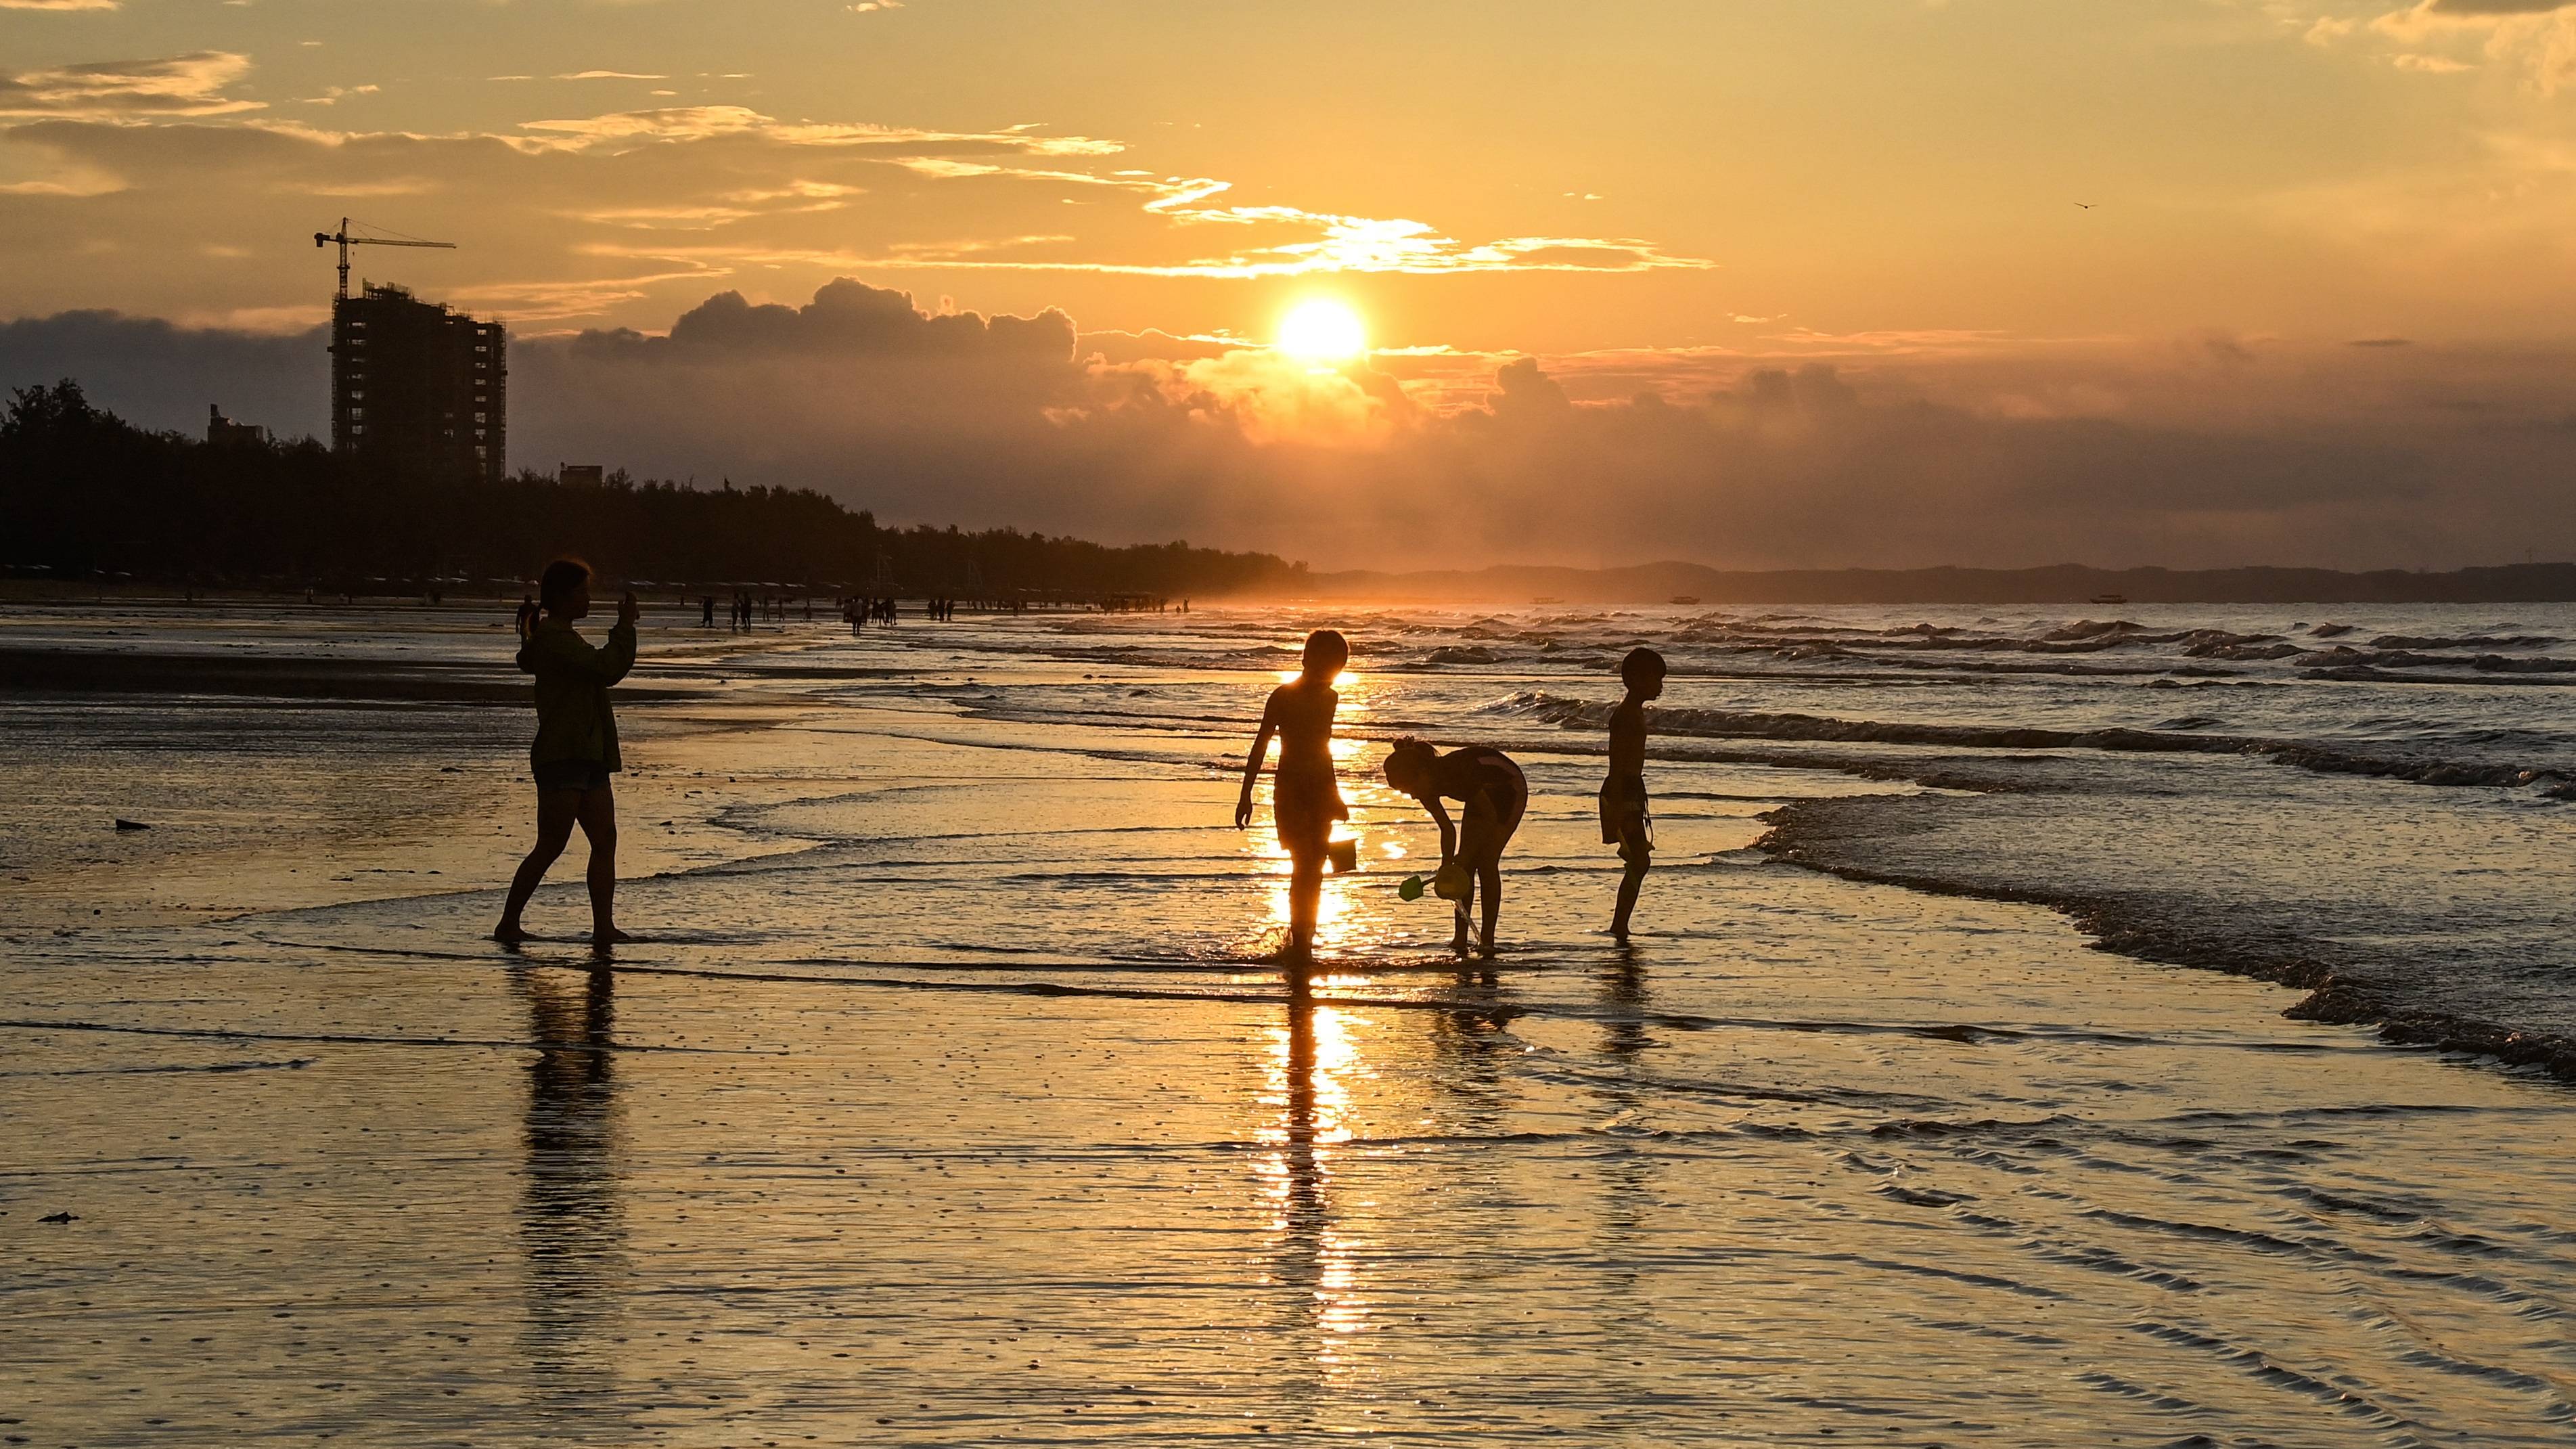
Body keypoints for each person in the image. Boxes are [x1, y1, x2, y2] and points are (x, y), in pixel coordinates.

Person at [495, 558, 639, 953]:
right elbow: (606, 668)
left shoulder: (561, 637)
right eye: (582, 593)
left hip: (587, 753)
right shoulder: (556, 640)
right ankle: (508, 922)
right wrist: (625, 626)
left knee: (604, 840)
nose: (588, 600)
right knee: (551, 844)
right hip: (564, 754)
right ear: (561, 598)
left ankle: (603, 927)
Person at [1236, 630, 1351, 963]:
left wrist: (1336, 795)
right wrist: (1246, 795)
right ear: (1306, 659)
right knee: (1304, 865)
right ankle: (1301, 942)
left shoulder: (1331, 698)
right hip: (1290, 789)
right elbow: (1260, 747)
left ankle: (1304, 940)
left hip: (1319, 789)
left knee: (1314, 867)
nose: (1330, 674)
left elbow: (1324, 751)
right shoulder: (1283, 696)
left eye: (1336, 667)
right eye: (1326, 665)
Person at [1383, 736, 1527, 957]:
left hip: (1508, 787)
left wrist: (1465, 854)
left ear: (1421, 774)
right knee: (1463, 870)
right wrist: (1447, 866)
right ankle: (1460, 938)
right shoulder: (1424, 788)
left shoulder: (1457, 772)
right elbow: (1447, 829)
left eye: (1409, 789)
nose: (1412, 796)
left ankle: (1487, 939)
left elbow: (1489, 816)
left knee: (1486, 862)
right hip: (1481, 793)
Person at [1604, 646, 1665, 941]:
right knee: (1639, 860)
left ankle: (1620, 923)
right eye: (1657, 680)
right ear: (1636, 679)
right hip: (1622, 791)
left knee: (1638, 861)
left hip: (1630, 790)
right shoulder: (1626, 715)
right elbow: (1617, 762)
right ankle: (1619, 925)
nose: (1660, 687)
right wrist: (1620, 803)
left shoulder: (1633, 713)